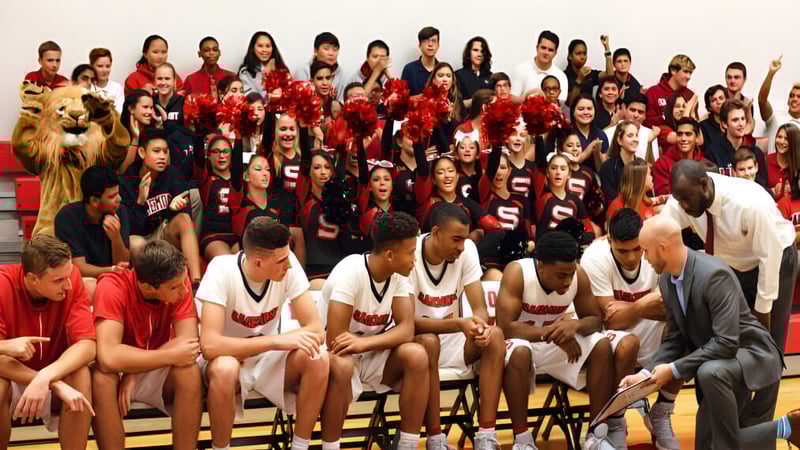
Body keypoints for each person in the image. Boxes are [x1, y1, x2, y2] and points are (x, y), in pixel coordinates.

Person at [620, 215, 800, 450]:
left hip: (751, 354)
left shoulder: (714, 274)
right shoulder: (665, 280)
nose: (644, 258)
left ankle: (785, 428)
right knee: (707, 445)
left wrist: (673, 371)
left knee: (709, 372)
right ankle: (784, 428)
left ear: (662, 249)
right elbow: (676, 337)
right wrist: (645, 375)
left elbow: (727, 342)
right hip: (718, 361)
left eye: (646, 251)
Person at [661, 159, 798, 427]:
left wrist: (762, 316)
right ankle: (732, 422)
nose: (684, 207)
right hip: (734, 266)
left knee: (768, 348)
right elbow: (662, 230)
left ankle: (758, 427)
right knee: (728, 340)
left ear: (704, 185)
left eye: (687, 199)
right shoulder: (684, 198)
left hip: (776, 262)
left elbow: (769, 261)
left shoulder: (749, 203)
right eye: (679, 201)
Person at [497, 231, 639, 449]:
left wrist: (575, 325)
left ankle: (595, 434)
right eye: (561, 275)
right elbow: (505, 327)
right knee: (519, 351)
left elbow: (594, 320)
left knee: (600, 344)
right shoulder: (518, 272)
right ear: (541, 265)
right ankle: (522, 440)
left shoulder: (578, 275)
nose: (567, 280)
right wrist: (554, 334)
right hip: (521, 341)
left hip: (557, 343)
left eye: (570, 273)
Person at [196, 217, 328, 450]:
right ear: (258, 263)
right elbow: (210, 346)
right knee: (225, 368)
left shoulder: (288, 263)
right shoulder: (221, 270)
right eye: (281, 261)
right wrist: (274, 341)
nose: (288, 266)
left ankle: (300, 446)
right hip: (228, 360)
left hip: (266, 360)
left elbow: (316, 330)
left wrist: (273, 344)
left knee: (318, 357)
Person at [319, 211, 428, 450]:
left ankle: (408, 444)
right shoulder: (351, 271)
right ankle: (330, 447)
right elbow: (336, 340)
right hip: (334, 357)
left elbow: (407, 329)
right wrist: (361, 345)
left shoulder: (400, 275)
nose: (414, 260)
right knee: (343, 364)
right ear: (390, 255)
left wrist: (364, 344)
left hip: (367, 350)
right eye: (411, 253)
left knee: (417, 354)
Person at [581, 209, 680, 450]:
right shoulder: (594, 258)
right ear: (608, 240)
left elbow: (672, 309)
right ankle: (616, 420)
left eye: (637, 249)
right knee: (628, 343)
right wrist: (645, 304)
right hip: (606, 334)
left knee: (687, 330)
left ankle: (662, 412)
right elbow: (609, 318)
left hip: (640, 323)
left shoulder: (658, 249)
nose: (632, 258)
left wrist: (631, 309)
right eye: (622, 251)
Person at [410, 203, 506, 450]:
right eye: (456, 239)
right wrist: (460, 324)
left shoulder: (468, 250)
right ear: (435, 232)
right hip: (417, 343)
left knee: (495, 336)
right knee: (429, 340)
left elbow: (479, 308)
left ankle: (486, 436)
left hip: (454, 338)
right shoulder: (409, 253)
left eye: (464, 239)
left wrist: (481, 328)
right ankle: (435, 439)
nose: (461, 246)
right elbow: (408, 324)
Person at [91, 240, 202, 450]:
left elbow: (189, 344)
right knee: (101, 379)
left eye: (184, 281)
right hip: (118, 371)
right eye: (174, 287)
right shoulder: (112, 285)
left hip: (150, 365)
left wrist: (136, 372)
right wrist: (133, 368)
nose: (184, 290)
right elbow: (108, 357)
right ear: (147, 286)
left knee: (189, 370)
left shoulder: (181, 283)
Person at [0, 235, 95, 450]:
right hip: (13, 376)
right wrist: (52, 383)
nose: (68, 285)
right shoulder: (3, 284)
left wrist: (47, 376)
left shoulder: (72, 281)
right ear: (33, 279)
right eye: (59, 280)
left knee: (81, 374)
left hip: (53, 370)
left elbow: (87, 345)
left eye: (69, 276)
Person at [119, 127, 202, 286]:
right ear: (143, 153)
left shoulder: (173, 175)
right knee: (136, 243)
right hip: (141, 237)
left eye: (165, 151)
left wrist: (172, 210)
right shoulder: (127, 181)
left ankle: (196, 283)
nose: (162, 156)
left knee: (184, 219)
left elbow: (187, 218)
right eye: (156, 151)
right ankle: (151, 287)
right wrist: (141, 202)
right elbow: (131, 230)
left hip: (163, 233)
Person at [55, 165, 130, 278]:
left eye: (118, 193)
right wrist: (112, 270)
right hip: (84, 279)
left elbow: (123, 262)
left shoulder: (119, 211)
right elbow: (79, 268)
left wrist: (115, 237)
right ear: (94, 201)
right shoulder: (67, 217)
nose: (119, 199)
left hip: (113, 278)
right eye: (112, 196)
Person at [705, 99, 767, 184]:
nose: (741, 124)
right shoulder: (713, 152)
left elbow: (762, 186)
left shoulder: (756, 152)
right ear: (724, 124)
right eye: (735, 120)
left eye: (743, 119)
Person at [653, 117, 711, 196]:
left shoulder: (705, 164)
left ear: (697, 138)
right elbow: (663, 194)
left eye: (688, 134)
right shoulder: (663, 163)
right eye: (680, 134)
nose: (683, 139)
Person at [758, 56, 800, 156]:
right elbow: (762, 101)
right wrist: (771, 73)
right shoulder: (776, 117)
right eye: (792, 96)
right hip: (773, 168)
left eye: (799, 97)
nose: (794, 99)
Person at [511, 30, 568, 102]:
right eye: (543, 48)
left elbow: (561, 105)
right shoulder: (520, 69)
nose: (546, 52)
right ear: (537, 47)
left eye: (550, 50)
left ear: (555, 53)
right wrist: (529, 96)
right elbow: (512, 100)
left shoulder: (561, 76)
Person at [604, 93, 659, 163]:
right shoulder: (608, 132)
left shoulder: (650, 134)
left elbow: (653, 165)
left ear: (645, 116)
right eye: (632, 110)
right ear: (625, 110)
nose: (636, 115)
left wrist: (649, 142)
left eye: (640, 112)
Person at [644, 54, 695, 129]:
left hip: (685, 139)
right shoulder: (653, 92)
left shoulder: (690, 95)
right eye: (685, 72)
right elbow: (646, 123)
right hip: (659, 138)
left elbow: (695, 126)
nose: (689, 77)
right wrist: (666, 117)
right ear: (673, 70)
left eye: (690, 73)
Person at [295, 32, 347, 102]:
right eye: (326, 49)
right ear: (315, 51)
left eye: (335, 49)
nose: (331, 53)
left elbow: (342, 103)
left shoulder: (343, 75)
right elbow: (301, 101)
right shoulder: (303, 71)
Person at [238, 31, 290, 98]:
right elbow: (249, 98)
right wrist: (267, 75)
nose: (264, 50)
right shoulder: (246, 72)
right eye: (260, 46)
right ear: (253, 48)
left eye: (268, 46)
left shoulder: (282, 69)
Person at [563, 36, 612, 106]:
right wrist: (579, 80)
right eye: (578, 53)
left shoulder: (589, 73)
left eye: (584, 53)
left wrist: (607, 48)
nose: (582, 57)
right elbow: (570, 104)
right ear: (570, 56)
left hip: (589, 113)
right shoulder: (564, 76)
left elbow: (610, 76)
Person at [600, 120, 639, 203]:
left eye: (636, 135)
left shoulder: (641, 165)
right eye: (630, 136)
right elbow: (611, 200)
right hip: (618, 213)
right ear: (619, 140)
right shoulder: (608, 167)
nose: (635, 139)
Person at [455, 36, 493, 108]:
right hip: (467, 118)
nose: (479, 54)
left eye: (482, 51)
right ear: (469, 52)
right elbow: (456, 105)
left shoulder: (490, 76)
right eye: (475, 50)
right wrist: (478, 101)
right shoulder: (458, 75)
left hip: (487, 117)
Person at [401, 26, 440, 96]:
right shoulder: (409, 69)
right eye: (426, 41)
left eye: (433, 41)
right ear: (419, 45)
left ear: (438, 45)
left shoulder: (443, 69)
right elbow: (401, 98)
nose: (430, 44)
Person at [90, 48, 125, 112]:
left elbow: (119, 113)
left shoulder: (116, 88)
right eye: (100, 66)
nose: (104, 70)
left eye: (107, 66)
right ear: (91, 66)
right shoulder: (87, 87)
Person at [770, 124, 799, 200]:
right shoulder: (766, 160)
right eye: (779, 137)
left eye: (786, 139)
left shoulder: (798, 164)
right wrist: (770, 192)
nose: (782, 141)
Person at [698, 85, 728, 154]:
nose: (718, 102)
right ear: (709, 107)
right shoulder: (703, 126)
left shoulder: (734, 121)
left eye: (721, 98)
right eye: (714, 100)